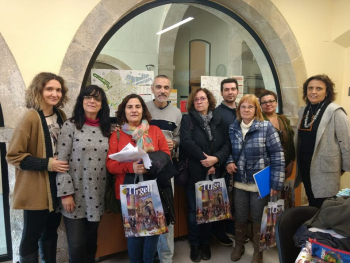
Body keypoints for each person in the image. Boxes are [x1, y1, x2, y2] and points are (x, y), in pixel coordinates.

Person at [6, 72, 69, 263]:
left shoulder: (61, 115)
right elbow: (14, 156)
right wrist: (49, 163)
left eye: (58, 90)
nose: (54, 94)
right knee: (31, 236)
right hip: (36, 190)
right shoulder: (31, 118)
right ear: (38, 90)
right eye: (49, 89)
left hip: (57, 187)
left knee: (50, 232)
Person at [106, 94, 170, 263]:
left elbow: (166, 155)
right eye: (129, 107)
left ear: (143, 110)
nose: (134, 110)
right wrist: (130, 166)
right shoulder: (117, 135)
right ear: (123, 111)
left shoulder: (155, 131)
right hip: (128, 190)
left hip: (153, 188)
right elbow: (110, 165)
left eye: (138, 106)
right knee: (134, 233)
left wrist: (149, 163)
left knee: (152, 232)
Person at [226, 94, 285, 263]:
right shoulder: (233, 128)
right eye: (243, 107)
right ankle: (239, 245)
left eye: (250, 107)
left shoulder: (266, 127)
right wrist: (229, 161)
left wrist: (276, 182)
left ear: (256, 110)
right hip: (239, 182)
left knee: (259, 218)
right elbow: (229, 150)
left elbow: (278, 155)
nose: (246, 110)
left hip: (260, 183)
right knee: (240, 216)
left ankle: (258, 251)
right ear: (239, 110)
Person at [56, 85, 111, 263]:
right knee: (77, 244)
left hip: (97, 194)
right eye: (87, 97)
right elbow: (61, 162)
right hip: (75, 194)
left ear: (102, 105)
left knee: (91, 239)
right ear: (81, 101)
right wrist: (65, 194)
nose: (92, 101)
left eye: (97, 98)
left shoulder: (107, 129)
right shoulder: (70, 126)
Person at [180, 88, 231, 262]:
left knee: (210, 210)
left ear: (209, 101)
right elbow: (187, 142)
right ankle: (195, 244)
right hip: (195, 171)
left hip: (216, 171)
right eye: (196, 99)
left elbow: (226, 144)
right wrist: (205, 160)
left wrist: (216, 160)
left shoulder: (219, 119)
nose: (199, 102)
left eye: (202, 98)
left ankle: (205, 243)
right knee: (195, 210)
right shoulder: (187, 119)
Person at [294, 74, 350, 208]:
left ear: (327, 92)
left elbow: (346, 142)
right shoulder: (304, 111)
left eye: (319, 88)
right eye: (310, 88)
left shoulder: (335, 112)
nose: (313, 92)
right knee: (312, 201)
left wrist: (343, 168)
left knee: (325, 205)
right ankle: (313, 227)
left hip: (325, 168)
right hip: (305, 165)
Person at [146, 75, 182, 263]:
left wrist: (174, 143)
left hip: (166, 169)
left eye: (166, 87)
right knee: (149, 213)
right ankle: (151, 253)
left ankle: (166, 256)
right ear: (152, 89)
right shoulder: (143, 109)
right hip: (145, 170)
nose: (162, 91)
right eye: (158, 87)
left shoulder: (176, 113)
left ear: (170, 90)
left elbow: (179, 137)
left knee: (166, 212)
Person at [214, 78, 240, 246]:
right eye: (226, 89)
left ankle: (232, 227)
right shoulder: (217, 113)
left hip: (241, 164)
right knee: (221, 200)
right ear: (221, 92)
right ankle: (219, 231)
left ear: (238, 91)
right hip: (223, 164)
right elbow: (218, 141)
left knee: (236, 200)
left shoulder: (242, 109)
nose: (230, 92)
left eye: (233, 89)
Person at [259, 90, 295, 178]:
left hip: (285, 164)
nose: (268, 104)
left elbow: (291, 143)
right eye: (264, 102)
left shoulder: (284, 120)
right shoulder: (258, 121)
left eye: (271, 101)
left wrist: (291, 162)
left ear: (276, 103)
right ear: (260, 105)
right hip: (266, 167)